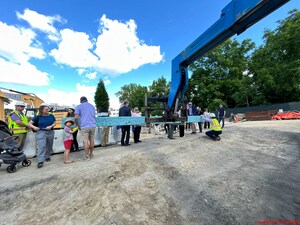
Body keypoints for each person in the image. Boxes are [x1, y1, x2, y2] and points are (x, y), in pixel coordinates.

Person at [28, 103, 56, 168]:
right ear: (41, 110)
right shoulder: (37, 116)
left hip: (50, 132)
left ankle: (47, 156)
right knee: (41, 146)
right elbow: (29, 123)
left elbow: (54, 123)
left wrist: (51, 126)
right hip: (41, 132)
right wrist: (34, 127)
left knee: (49, 145)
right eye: (45, 109)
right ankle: (40, 161)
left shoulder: (51, 115)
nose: (47, 110)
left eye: (47, 109)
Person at [74, 96, 96, 161]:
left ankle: (87, 156)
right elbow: (94, 116)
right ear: (87, 100)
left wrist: (77, 125)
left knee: (85, 141)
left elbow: (76, 117)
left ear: (80, 101)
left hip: (84, 126)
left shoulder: (79, 106)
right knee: (92, 140)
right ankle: (91, 154)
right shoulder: (92, 106)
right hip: (92, 126)